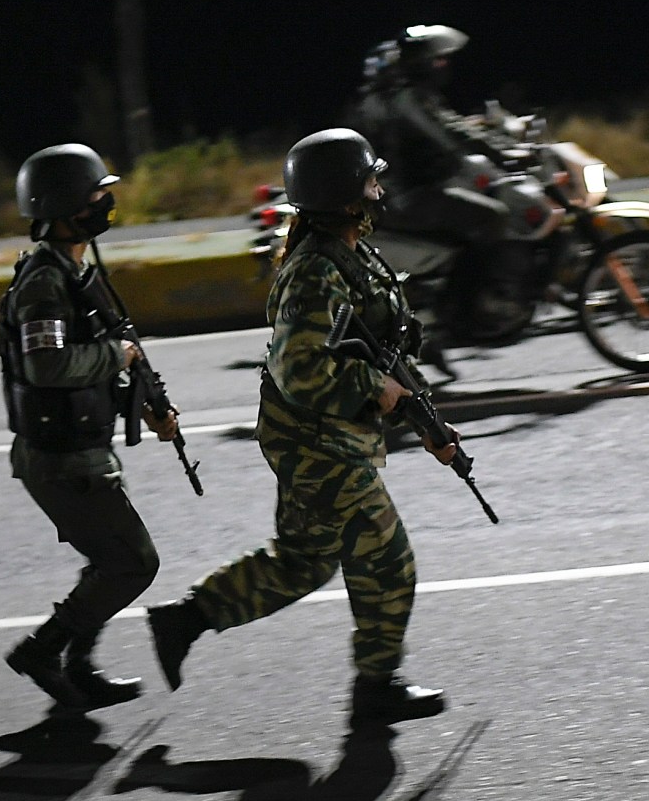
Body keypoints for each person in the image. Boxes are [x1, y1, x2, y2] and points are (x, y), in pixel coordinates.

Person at [146, 128, 454, 728]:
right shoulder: (315, 272)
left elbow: (385, 351)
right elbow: (300, 369)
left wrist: (428, 421)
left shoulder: (355, 253)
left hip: (329, 433)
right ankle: (376, 688)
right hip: (315, 439)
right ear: (343, 195)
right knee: (388, 558)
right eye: (369, 181)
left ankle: (186, 619)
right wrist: (380, 393)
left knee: (303, 561)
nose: (379, 190)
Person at [0, 143, 173, 709]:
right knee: (133, 563)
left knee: (111, 561)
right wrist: (115, 360)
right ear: (69, 206)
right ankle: (42, 651)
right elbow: (44, 365)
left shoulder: (76, 272)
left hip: (82, 449)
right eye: (97, 194)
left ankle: (78, 665)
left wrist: (147, 398)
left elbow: (110, 342)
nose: (107, 202)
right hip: (58, 457)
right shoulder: (44, 283)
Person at [353, 25, 505, 249]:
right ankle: (473, 284)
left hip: (398, 191)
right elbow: (449, 134)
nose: (443, 65)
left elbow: (451, 126)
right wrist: (500, 152)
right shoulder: (404, 99)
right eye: (437, 60)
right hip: (407, 195)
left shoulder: (380, 101)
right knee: (494, 215)